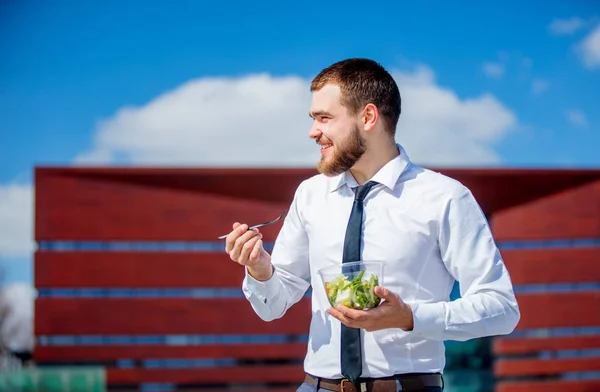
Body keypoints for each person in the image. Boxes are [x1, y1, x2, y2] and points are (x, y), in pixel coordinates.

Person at [224, 58, 520, 392]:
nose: (313, 131)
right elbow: (272, 306)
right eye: (313, 119)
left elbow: (502, 308)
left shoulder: (444, 197)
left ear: (368, 117)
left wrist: (409, 316)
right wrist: (261, 271)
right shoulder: (310, 195)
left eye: (324, 118)